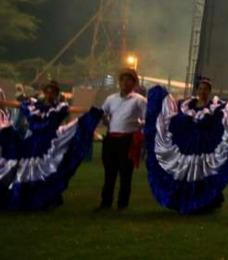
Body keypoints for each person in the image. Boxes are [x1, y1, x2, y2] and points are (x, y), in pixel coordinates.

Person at [144, 76, 228, 214]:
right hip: (187, 147)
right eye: (201, 88)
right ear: (197, 90)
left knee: (204, 172)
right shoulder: (185, 105)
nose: (203, 91)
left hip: (205, 147)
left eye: (206, 89)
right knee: (186, 172)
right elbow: (173, 118)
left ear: (209, 91)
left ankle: (205, 202)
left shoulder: (215, 107)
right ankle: (186, 200)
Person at [0, 80, 103, 210]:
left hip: (50, 144)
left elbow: (73, 109)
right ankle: (27, 198)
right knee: (27, 171)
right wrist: (2, 102)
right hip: (32, 143)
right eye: (48, 90)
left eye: (52, 91)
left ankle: (47, 198)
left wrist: (93, 111)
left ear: (56, 93)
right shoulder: (33, 106)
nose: (50, 93)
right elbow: (17, 104)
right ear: (44, 91)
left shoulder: (59, 108)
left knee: (48, 171)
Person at [98, 68, 147, 211]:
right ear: (119, 82)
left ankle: (122, 204)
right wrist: (105, 120)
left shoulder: (139, 100)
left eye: (129, 80)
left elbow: (147, 118)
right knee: (109, 173)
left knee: (125, 174)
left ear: (134, 83)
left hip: (128, 140)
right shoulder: (111, 98)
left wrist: (140, 125)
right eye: (123, 79)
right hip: (111, 139)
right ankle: (106, 202)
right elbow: (103, 112)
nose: (125, 82)